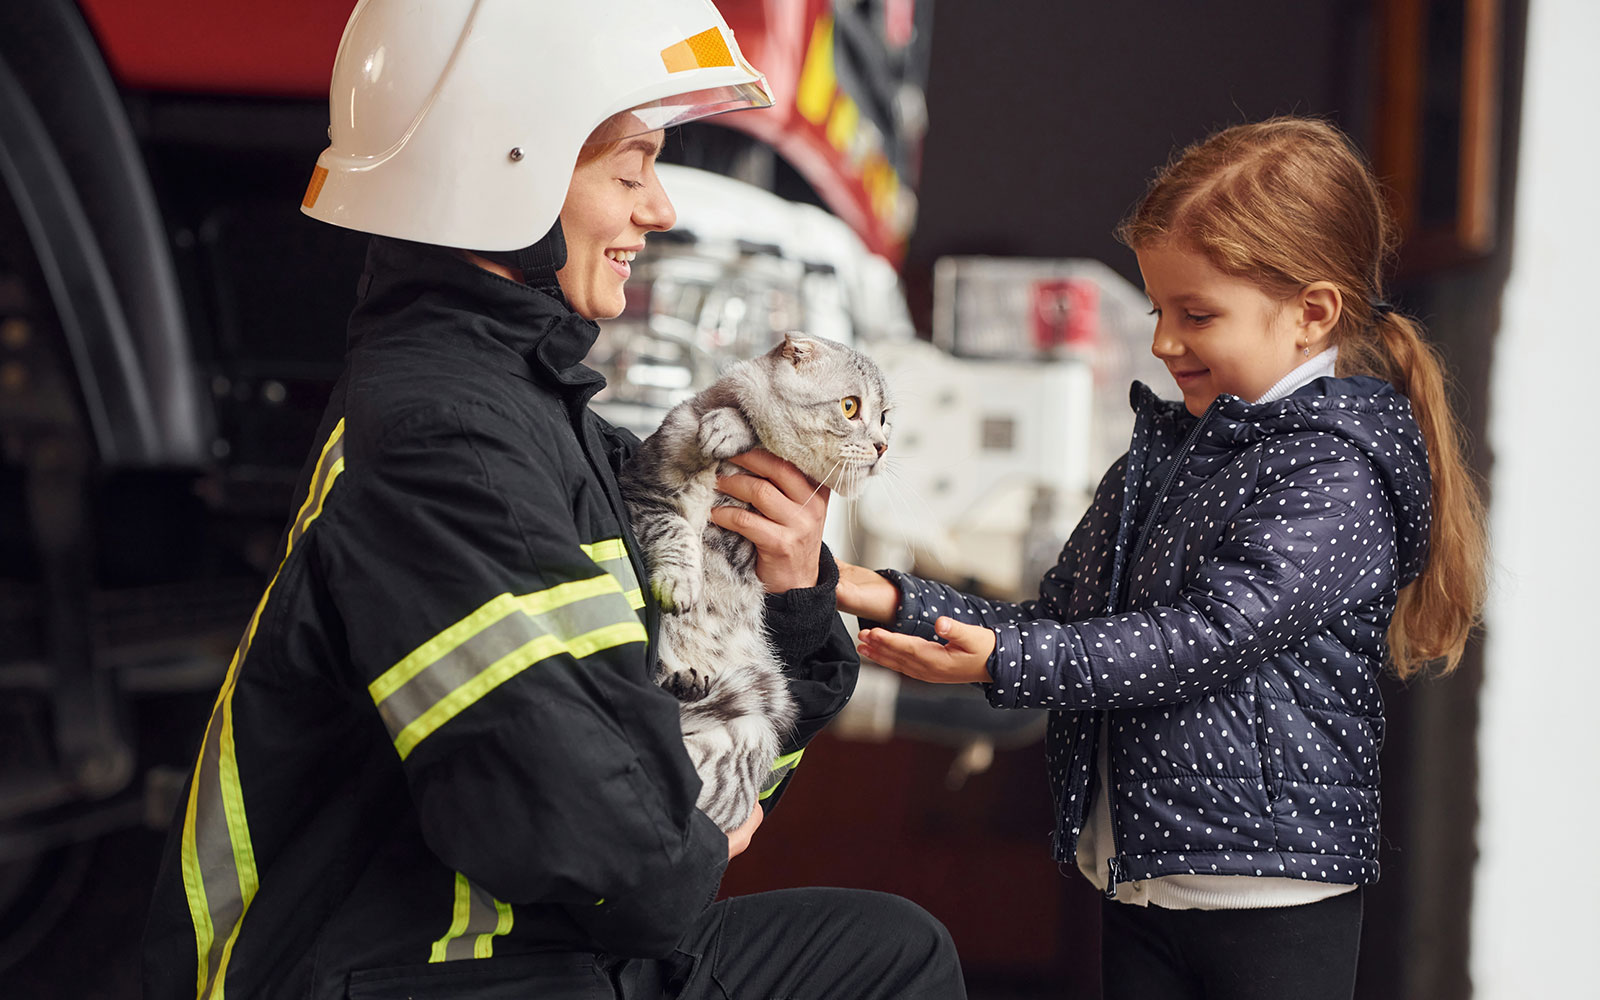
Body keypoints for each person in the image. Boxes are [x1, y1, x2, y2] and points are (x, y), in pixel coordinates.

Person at [141, 2, 965, 998]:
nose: (657, 209)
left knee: (887, 954)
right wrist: (694, 837)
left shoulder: (535, 424)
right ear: (505, 166)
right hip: (412, 977)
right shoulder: (447, 447)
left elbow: (688, 758)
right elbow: (584, 833)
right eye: (629, 170)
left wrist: (789, 602)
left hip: (506, 958)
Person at [836, 116, 1487, 1000]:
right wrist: (874, 592)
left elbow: (1205, 637)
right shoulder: (1170, 453)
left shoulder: (1337, 474)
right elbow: (1061, 622)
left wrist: (1010, 661)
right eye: (1158, 310)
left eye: (1198, 314)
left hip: (1268, 887)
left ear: (1312, 313)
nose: (1164, 344)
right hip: (1145, 870)